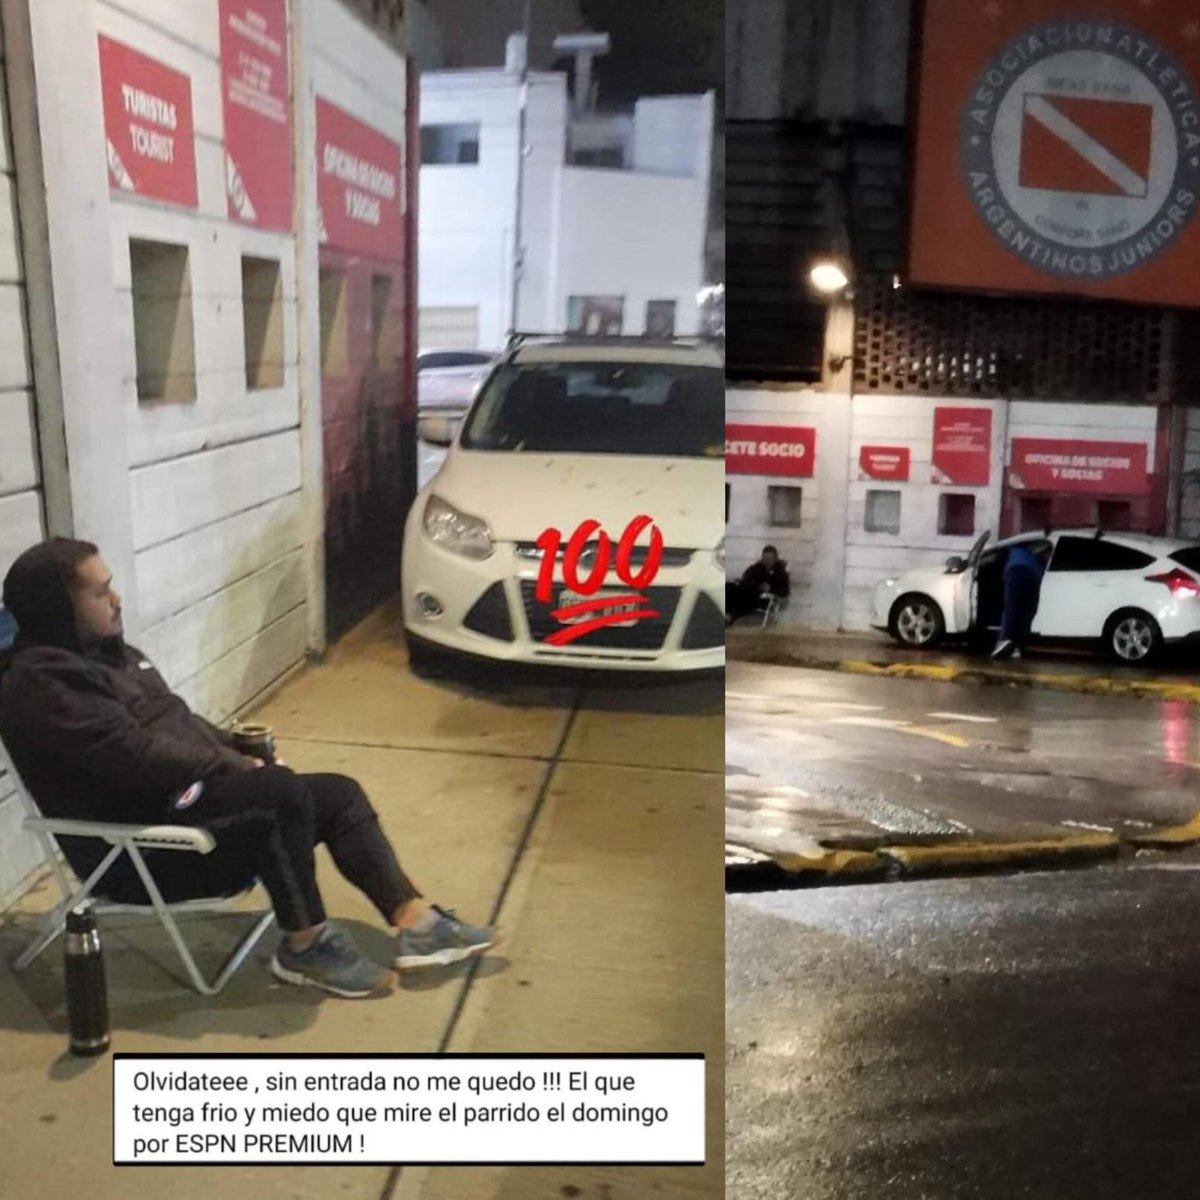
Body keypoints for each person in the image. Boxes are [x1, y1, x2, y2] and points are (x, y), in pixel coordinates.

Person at [0, 538, 494, 999]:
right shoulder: (45, 686)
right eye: (99, 591)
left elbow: (178, 721)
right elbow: (133, 757)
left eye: (111, 586)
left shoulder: (112, 656)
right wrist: (233, 765)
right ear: (58, 609)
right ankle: (304, 948)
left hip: (185, 810)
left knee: (338, 793)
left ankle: (416, 923)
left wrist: (233, 745)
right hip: (142, 851)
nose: (116, 599)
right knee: (277, 795)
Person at [992, 542, 1048, 660]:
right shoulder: (1037, 549)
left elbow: (996, 558)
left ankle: (1004, 640)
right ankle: (1018, 646)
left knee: (1011, 607)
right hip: (1035, 575)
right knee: (1027, 611)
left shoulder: (1014, 545)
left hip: (1016, 570)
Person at [726, 545, 791, 627]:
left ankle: (731, 616)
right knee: (730, 587)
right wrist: (747, 582)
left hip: (764, 599)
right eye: (765, 558)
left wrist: (770, 590)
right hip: (751, 590)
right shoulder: (758, 567)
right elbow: (747, 575)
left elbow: (784, 591)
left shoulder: (781, 573)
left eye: (769, 559)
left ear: (775, 559)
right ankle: (726, 612)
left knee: (747, 595)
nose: (767, 561)